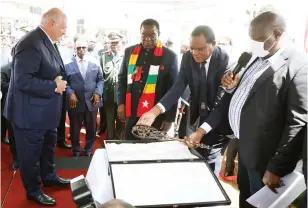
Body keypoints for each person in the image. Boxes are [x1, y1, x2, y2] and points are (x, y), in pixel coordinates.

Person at [220, 11, 307, 207]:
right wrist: (232, 86)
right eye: (251, 39)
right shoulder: (256, 57)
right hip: (245, 149)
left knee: (261, 204)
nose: (254, 44)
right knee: (245, 198)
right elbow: (251, 96)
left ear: (278, 34)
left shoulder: (298, 66)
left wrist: (277, 167)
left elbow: (297, 123)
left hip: (265, 161)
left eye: (259, 39)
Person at [137, 25, 232, 175]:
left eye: (200, 49)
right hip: (196, 113)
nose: (195, 53)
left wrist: (201, 131)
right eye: (192, 48)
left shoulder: (226, 61)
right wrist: (155, 111)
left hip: (217, 121)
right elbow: (178, 86)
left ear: (213, 44)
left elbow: (221, 105)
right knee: (192, 155)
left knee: (210, 164)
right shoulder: (188, 57)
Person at [3, 8, 71, 206]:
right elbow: (22, 81)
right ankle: (33, 190)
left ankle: (49, 177)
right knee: (30, 156)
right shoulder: (30, 43)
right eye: (63, 27)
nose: (64, 31)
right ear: (51, 23)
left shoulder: (46, 41)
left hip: (45, 112)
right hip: (29, 116)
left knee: (47, 150)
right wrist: (54, 85)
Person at [117, 19, 178, 140]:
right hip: (132, 110)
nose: (148, 39)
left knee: (151, 150)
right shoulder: (129, 52)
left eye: (152, 35)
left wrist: (169, 118)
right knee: (130, 146)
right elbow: (122, 79)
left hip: (157, 115)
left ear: (159, 34)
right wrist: (120, 104)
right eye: (144, 35)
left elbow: (173, 90)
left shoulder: (170, 56)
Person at [66, 39, 103, 157]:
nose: (81, 50)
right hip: (75, 102)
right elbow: (64, 81)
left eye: (83, 47)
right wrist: (70, 92)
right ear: (74, 49)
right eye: (78, 48)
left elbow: (100, 79)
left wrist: (98, 93)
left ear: (87, 48)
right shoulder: (68, 64)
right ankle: (76, 149)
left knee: (91, 127)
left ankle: (88, 149)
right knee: (75, 128)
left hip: (92, 101)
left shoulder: (95, 62)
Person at [101, 33, 125, 140]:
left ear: (121, 43)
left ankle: (119, 142)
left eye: (116, 42)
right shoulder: (104, 56)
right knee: (109, 120)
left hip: (121, 96)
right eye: (112, 43)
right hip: (109, 94)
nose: (114, 45)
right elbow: (101, 76)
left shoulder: (126, 56)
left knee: (121, 120)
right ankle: (110, 142)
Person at [1, 53, 18, 170]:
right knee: (13, 135)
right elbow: (2, 85)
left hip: (29, 108)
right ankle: (17, 158)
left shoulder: (32, 68)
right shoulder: (4, 69)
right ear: (12, 54)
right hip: (11, 107)